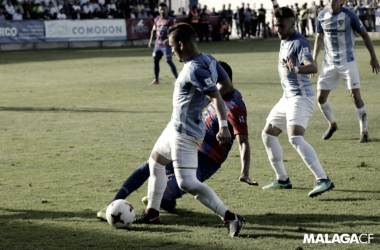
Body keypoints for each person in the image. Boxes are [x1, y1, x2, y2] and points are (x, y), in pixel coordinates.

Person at [97, 61, 257, 219]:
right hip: (189, 143)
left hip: (206, 160)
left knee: (171, 192)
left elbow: (243, 141)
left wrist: (245, 172)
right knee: (150, 165)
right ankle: (113, 203)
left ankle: (224, 215)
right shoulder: (210, 96)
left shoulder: (234, 107)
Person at [137, 22, 243, 238]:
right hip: (174, 127)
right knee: (155, 162)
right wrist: (199, 103)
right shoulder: (210, 59)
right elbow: (227, 87)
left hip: (185, 133)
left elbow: (218, 97)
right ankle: (152, 213)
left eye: (173, 47)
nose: (172, 50)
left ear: (182, 44)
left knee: (187, 183)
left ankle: (230, 217)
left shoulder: (195, 68)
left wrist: (223, 126)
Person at [262, 0, 334, 198]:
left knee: (294, 137)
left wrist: (295, 69)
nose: (278, 29)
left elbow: (312, 67)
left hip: (301, 97)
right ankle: (282, 179)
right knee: (267, 134)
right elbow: (279, 13)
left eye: (281, 26)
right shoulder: (285, 37)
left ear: (294, 24)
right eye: (276, 25)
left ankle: (323, 179)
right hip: (287, 97)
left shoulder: (299, 42)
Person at [313, 0, 380, 143]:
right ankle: (332, 124)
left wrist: (373, 57)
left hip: (348, 61)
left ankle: (364, 132)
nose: (332, 1)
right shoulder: (322, 15)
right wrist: (314, 59)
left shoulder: (350, 15)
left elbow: (365, 35)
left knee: (355, 96)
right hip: (329, 63)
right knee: (320, 97)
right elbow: (319, 37)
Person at [148, 2, 178, 85]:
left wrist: (169, 39)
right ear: (158, 10)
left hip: (166, 45)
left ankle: (177, 79)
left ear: (167, 10)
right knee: (155, 60)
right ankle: (156, 79)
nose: (162, 11)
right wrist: (151, 41)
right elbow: (153, 30)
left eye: (164, 9)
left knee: (168, 61)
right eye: (161, 9)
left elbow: (174, 32)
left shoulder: (170, 20)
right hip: (158, 44)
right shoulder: (156, 19)